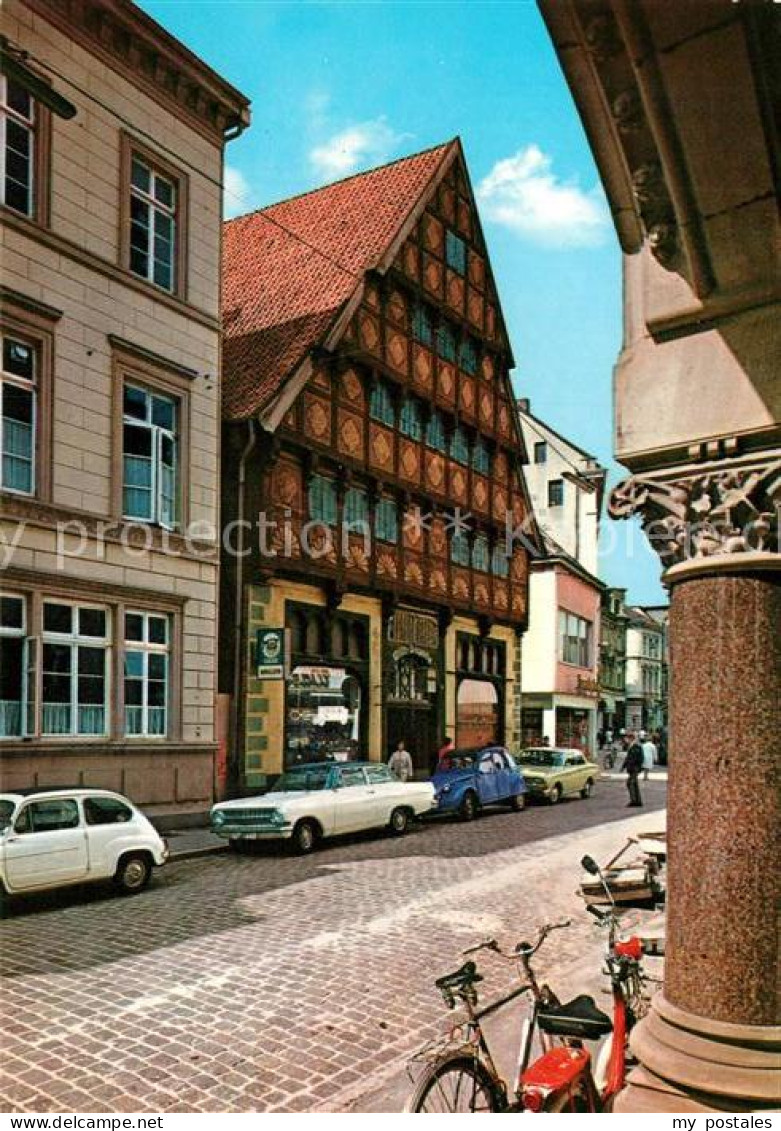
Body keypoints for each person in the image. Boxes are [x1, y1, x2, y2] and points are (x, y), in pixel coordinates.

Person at [622, 731, 644, 807]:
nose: (625, 740)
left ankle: (634, 801)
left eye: (626, 738)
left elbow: (635, 758)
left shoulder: (636, 746)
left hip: (634, 768)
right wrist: (623, 766)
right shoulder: (631, 746)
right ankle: (638, 801)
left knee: (630, 783)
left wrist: (636, 767)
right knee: (634, 784)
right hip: (633, 768)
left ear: (631, 738)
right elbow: (628, 758)